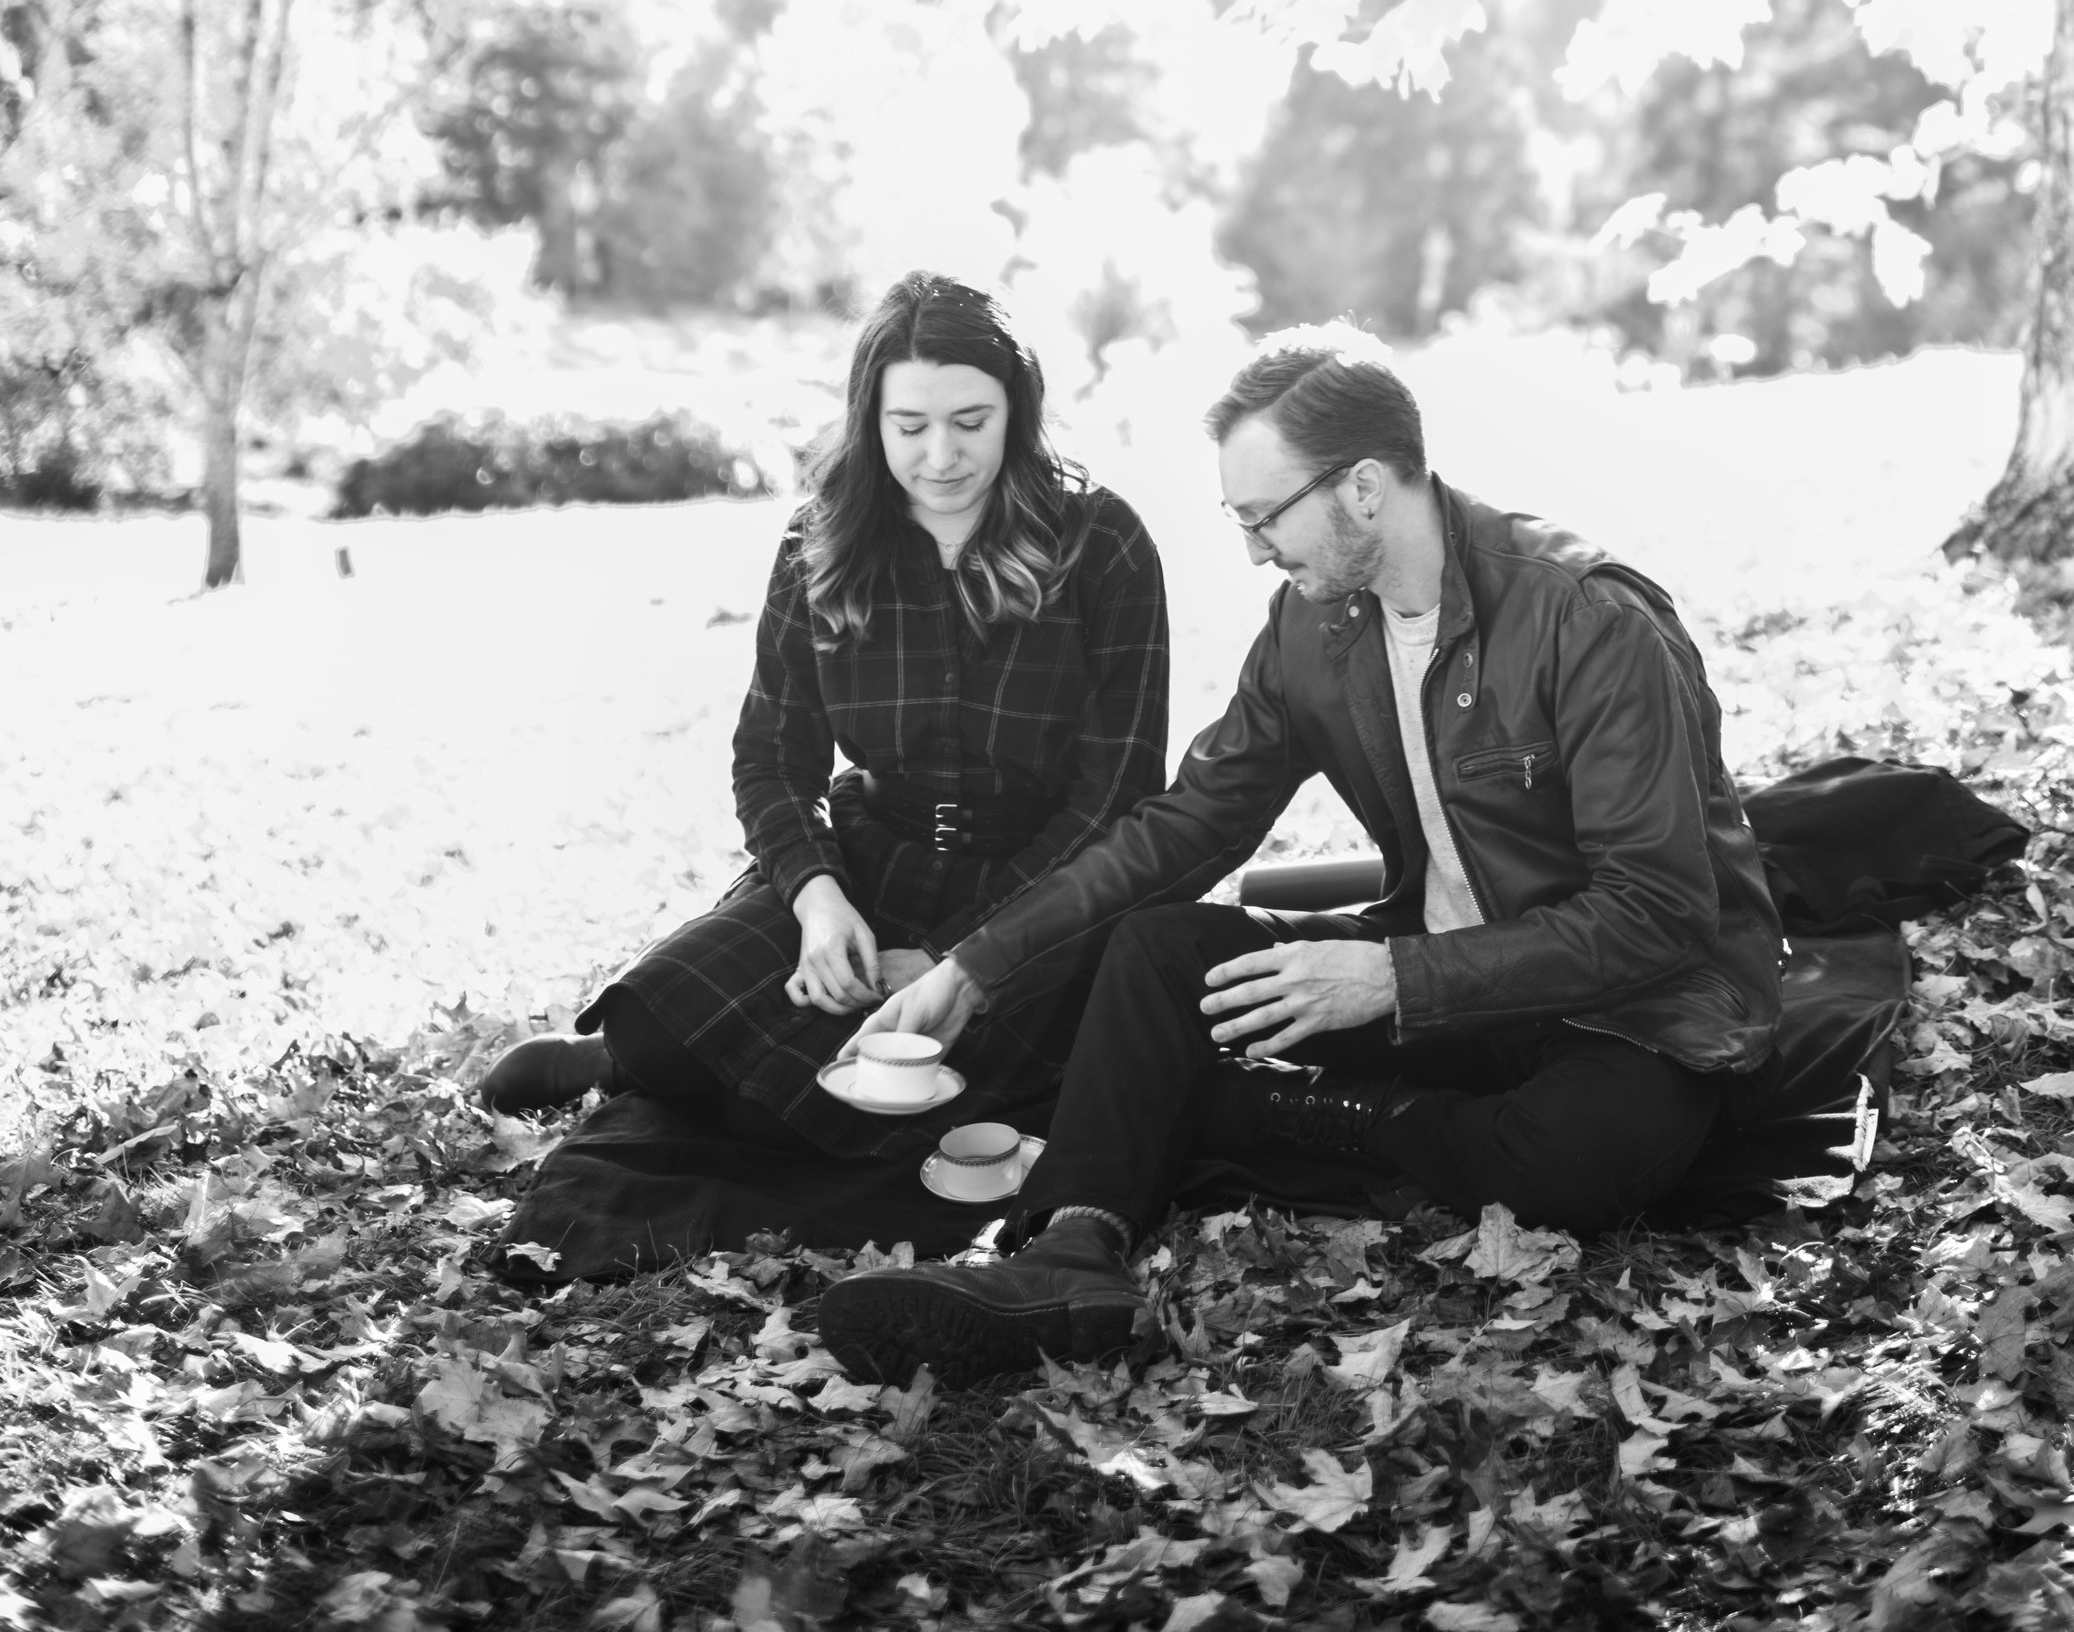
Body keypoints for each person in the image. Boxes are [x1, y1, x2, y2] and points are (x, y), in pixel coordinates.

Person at [811, 325, 1782, 1380]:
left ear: (1363, 487)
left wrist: (1388, 977)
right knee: (1154, 950)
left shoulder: (1588, 619)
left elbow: (1656, 913)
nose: (1254, 551)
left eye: (1263, 518)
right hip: (1444, 981)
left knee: (1577, 1154)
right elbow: (1190, 824)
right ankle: (1069, 1251)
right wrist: (978, 966)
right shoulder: (1309, 627)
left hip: (1633, 1013)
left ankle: (1248, 1109)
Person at [475, 271, 1169, 1182]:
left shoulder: (1100, 542)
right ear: (870, 418)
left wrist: (967, 951)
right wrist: (817, 899)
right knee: (653, 1020)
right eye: (909, 426)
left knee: (898, 1091)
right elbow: (770, 756)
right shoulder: (823, 542)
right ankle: (627, 1059)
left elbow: (1115, 796)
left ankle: (734, 1081)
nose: (941, 457)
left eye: (972, 421)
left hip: (1045, 885)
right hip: (874, 861)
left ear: (1019, 410)